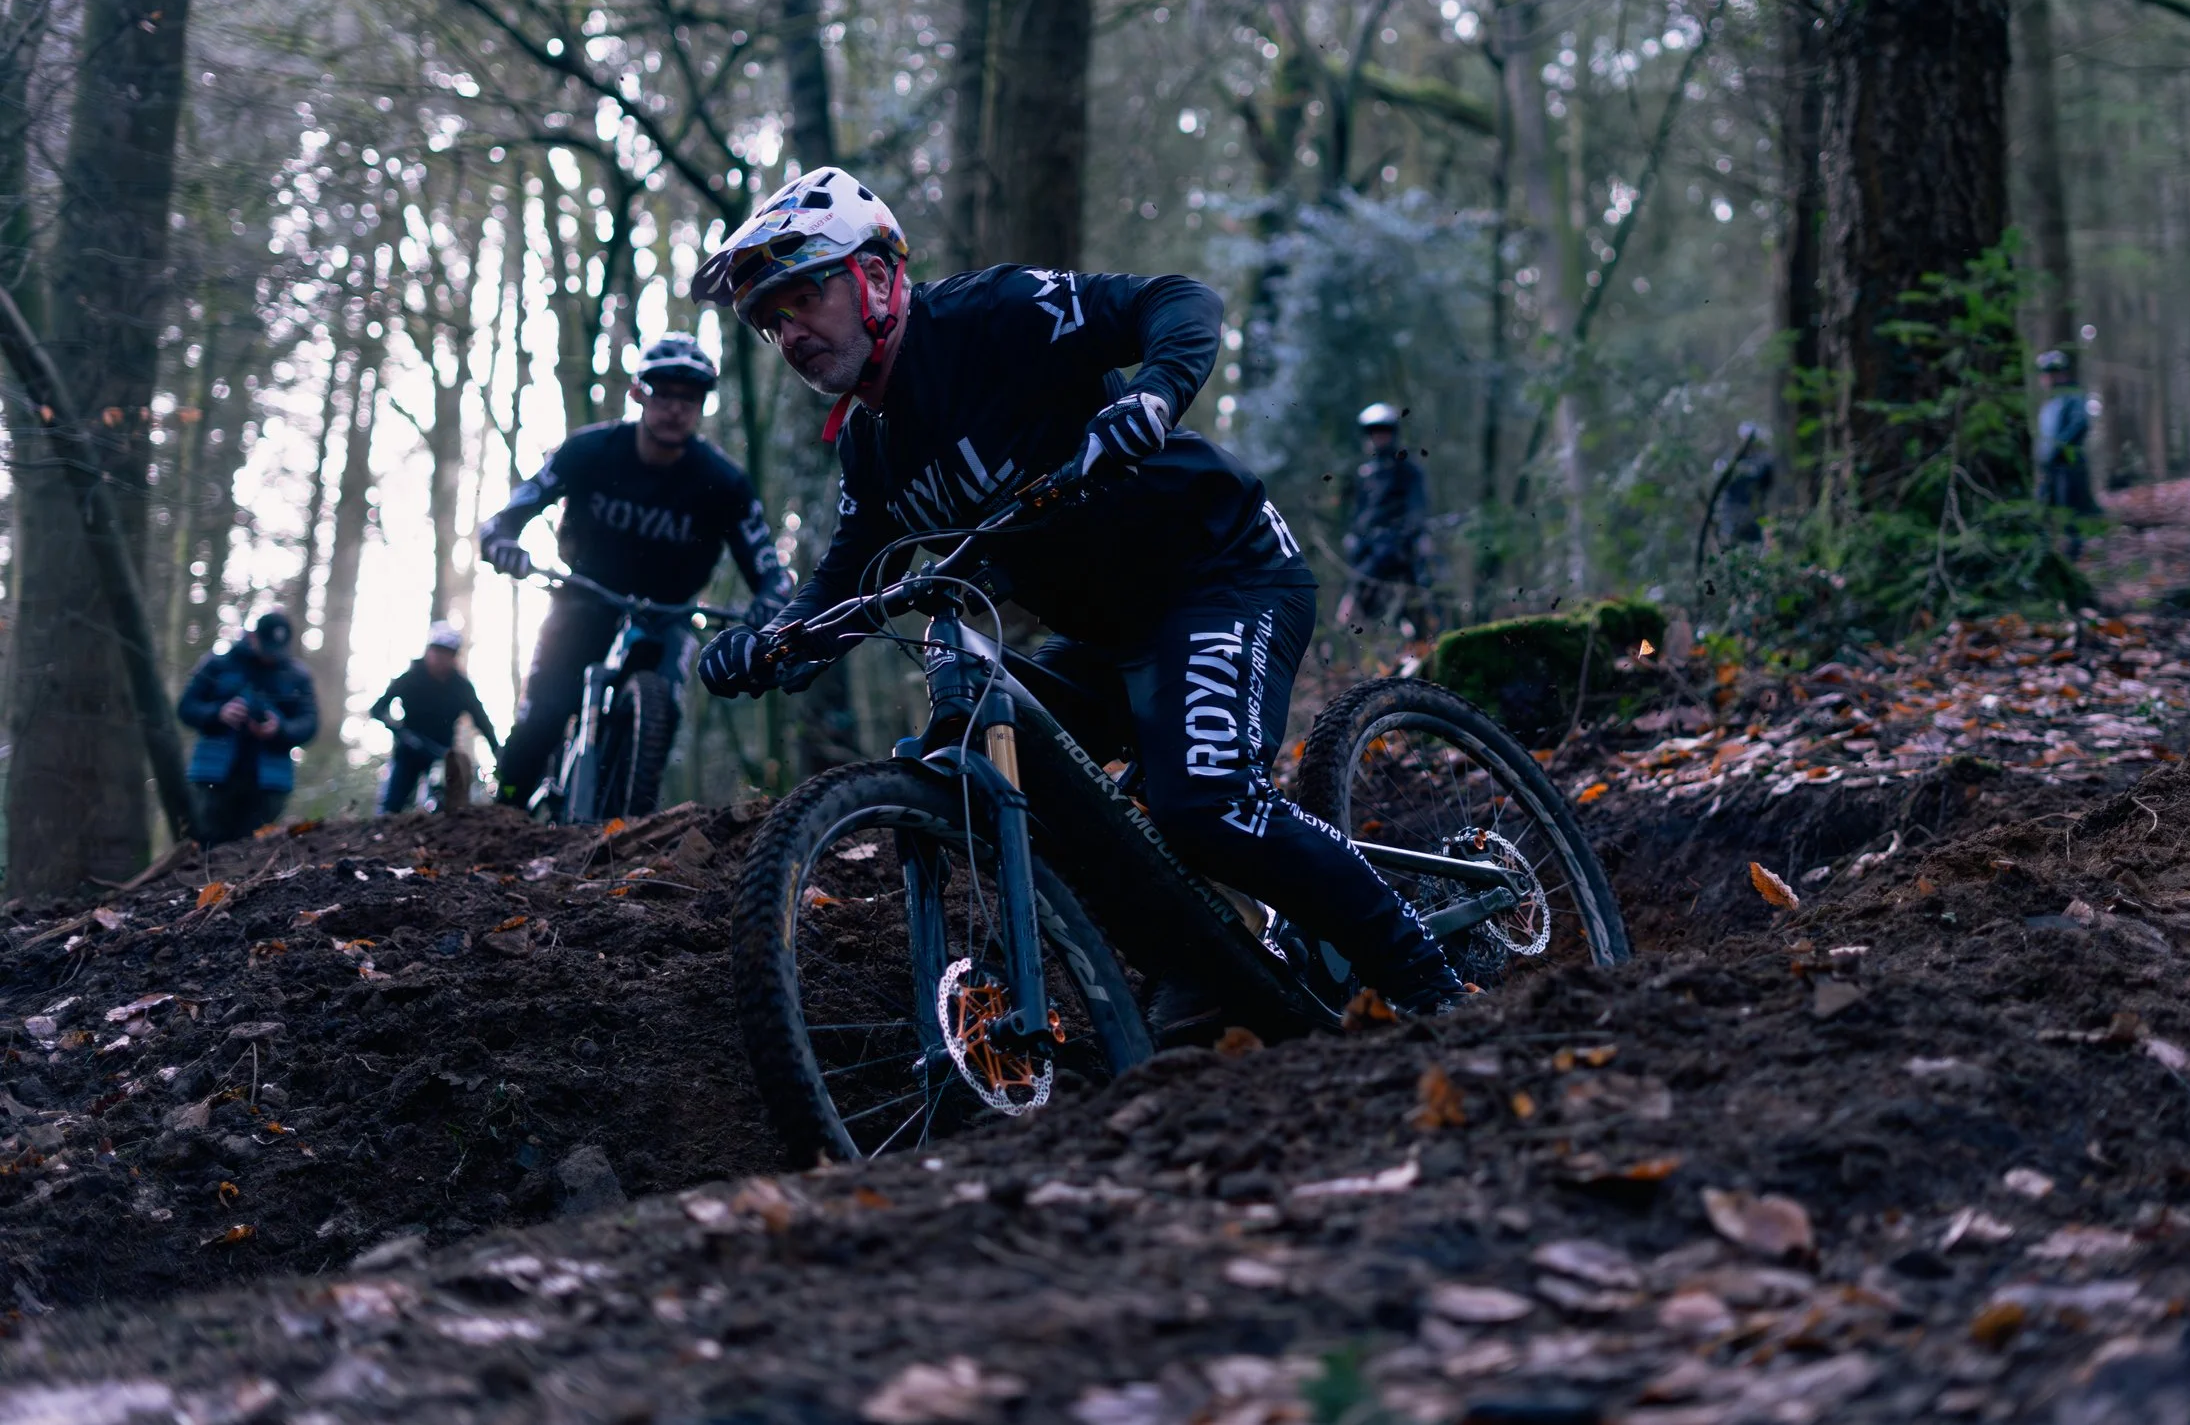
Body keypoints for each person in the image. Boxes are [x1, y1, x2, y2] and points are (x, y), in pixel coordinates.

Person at [687, 165, 1466, 1021]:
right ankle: (1203, 956)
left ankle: (1431, 982)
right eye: (768, 320)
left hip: (1221, 573)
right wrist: (774, 640)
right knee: (985, 757)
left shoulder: (996, 314)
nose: (788, 332)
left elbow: (1180, 301)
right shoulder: (870, 452)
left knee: (1205, 801)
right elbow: (845, 582)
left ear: (875, 275)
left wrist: (1152, 396)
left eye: (801, 296)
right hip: (1108, 638)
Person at [478, 335, 794, 806]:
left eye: (689, 399)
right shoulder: (590, 451)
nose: (675, 409)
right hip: (584, 595)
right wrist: (502, 541)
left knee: (662, 706)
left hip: (669, 614)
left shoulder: (724, 483)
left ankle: (626, 822)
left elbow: (768, 567)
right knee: (543, 712)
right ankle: (499, 814)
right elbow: (511, 512)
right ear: (638, 393)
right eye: (664, 394)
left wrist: (770, 601)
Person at [176, 611, 319, 846]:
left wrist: (279, 729)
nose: (270, 657)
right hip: (214, 776)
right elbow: (186, 708)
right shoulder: (218, 664)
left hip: (269, 781)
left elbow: (309, 724)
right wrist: (218, 713)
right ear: (252, 637)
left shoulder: (297, 676)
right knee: (208, 844)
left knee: (255, 848)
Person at [372, 622, 502, 814]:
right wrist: (401, 732)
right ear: (428, 651)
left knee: (451, 807)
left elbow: (481, 719)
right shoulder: (410, 678)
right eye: (437, 651)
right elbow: (377, 709)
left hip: (442, 755)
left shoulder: (461, 687)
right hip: (408, 753)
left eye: (447, 653)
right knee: (391, 806)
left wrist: (497, 750)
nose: (440, 658)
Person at [1336, 402, 1434, 633]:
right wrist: (1354, 537)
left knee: (1420, 600)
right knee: (1356, 600)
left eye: (1384, 432)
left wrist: (1407, 534)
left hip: (1400, 551)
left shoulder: (1408, 470)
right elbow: (1359, 515)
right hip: (1368, 553)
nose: (1379, 437)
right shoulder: (1365, 474)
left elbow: (1417, 508)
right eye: (1375, 432)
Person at [2034, 349, 2098, 552]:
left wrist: (2058, 449)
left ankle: (2074, 554)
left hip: (2068, 467)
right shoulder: (2051, 402)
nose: (2045, 378)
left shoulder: (2072, 397)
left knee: (2069, 514)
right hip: (2051, 469)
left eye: (2049, 373)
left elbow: (2080, 424)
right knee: (2043, 511)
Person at [1712, 422, 1775, 548]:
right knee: (1730, 547)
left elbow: (1766, 479)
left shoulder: (1762, 460)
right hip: (1731, 516)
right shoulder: (1728, 459)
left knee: (1755, 548)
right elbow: (1720, 475)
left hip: (1753, 516)